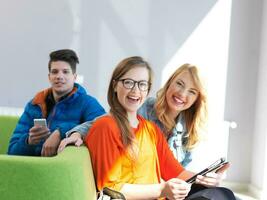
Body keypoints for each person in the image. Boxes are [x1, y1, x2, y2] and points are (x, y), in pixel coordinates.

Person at [66, 56, 236, 199]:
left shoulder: (151, 130)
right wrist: (162, 190)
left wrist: (204, 179)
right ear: (115, 85)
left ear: (147, 90)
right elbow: (110, 187)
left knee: (221, 194)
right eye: (128, 82)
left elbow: (175, 172)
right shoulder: (105, 126)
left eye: (142, 84)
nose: (135, 90)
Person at [59, 63, 206, 168]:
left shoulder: (188, 128)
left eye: (192, 91)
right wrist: (76, 134)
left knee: (219, 193)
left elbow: (179, 171)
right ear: (169, 84)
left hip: (169, 190)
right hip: (149, 189)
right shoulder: (144, 109)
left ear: (196, 99)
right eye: (179, 84)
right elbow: (107, 121)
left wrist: (203, 178)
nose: (182, 93)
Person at [8, 49, 105, 156]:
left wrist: (61, 132)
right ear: (49, 77)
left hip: (65, 170)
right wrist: (29, 141)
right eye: (54, 72)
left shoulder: (88, 103)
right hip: (31, 169)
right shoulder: (34, 105)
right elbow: (12, 151)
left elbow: (102, 130)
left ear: (75, 77)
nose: (59, 76)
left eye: (65, 72)